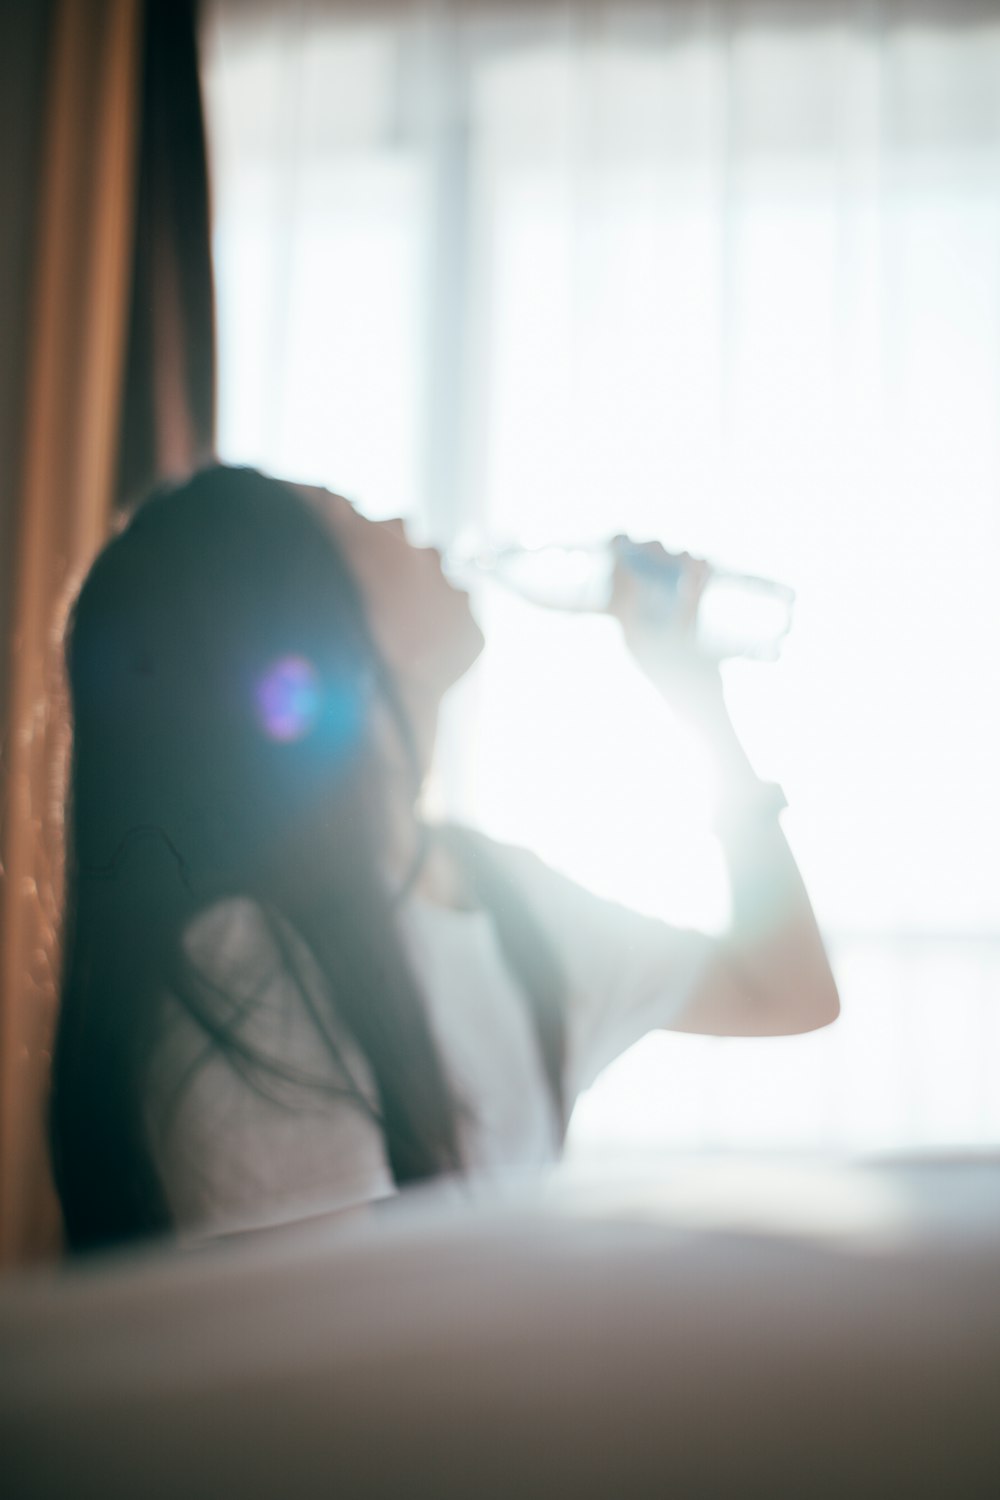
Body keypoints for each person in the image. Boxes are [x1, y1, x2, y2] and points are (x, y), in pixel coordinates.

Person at [50, 466, 839, 1253]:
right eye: (353, 516)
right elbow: (333, 1358)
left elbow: (790, 990)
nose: (403, 520)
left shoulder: (504, 900)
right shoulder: (246, 967)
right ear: (302, 618)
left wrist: (698, 703)